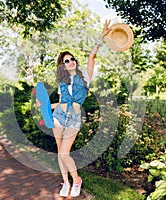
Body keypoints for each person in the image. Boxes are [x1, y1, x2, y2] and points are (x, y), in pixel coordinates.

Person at [38, 20, 111, 197]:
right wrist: (46, 105)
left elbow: (92, 56)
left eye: (72, 59)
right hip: (59, 116)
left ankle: (76, 180)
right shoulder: (62, 82)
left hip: (74, 118)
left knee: (65, 153)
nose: (70, 62)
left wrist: (101, 36)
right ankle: (66, 182)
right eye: (66, 61)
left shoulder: (85, 77)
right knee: (59, 152)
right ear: (62, 65)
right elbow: (62, 103)